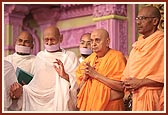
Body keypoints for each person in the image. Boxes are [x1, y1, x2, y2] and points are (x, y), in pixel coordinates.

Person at [10, 26, 79, 111]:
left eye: (52, 39)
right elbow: (35, 84)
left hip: (59, 101)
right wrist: (25, 89)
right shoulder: (40, 56)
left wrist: (65, 76)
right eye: (46, 39)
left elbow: (78, 82)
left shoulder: (70, 57)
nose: (49, 43)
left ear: (60, 38)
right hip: (38, 102)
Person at [122, 6, 164, 111]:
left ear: (155, 21)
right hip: (135, 98)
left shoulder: (163, 43)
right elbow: (127, 75)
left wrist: (141, 82)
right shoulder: (136, 46)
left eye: (143, 18)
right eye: (137, 18)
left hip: (153, 97)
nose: (138, 22)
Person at [76, 28, 126, 111]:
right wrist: (85, 78)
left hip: (111, 107)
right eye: (92, 41)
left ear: (107, 42)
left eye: (97, 40)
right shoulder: (88, 60)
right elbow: (80, 90)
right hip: (91, 108)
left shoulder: (117, 57)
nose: (93, 44)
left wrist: (95, 75)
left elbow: (121, 87)